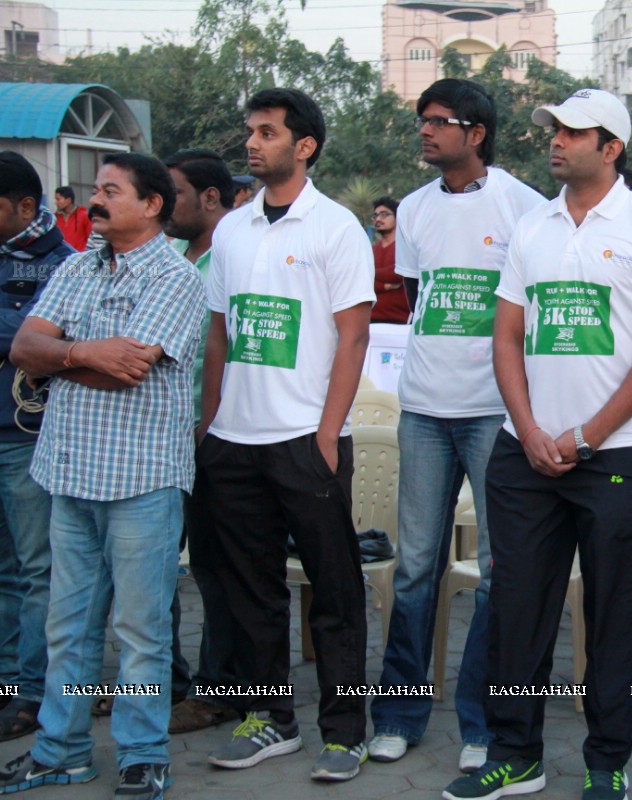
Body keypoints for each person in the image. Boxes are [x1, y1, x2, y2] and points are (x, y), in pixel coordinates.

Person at [444, 87, 632, 800]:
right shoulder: (534, 227)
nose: (555, 140)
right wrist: (526, 428)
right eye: (552, 129)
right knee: (516, 610)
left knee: (614, 614)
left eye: (573, 132)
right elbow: (507, 334)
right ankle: (515, 752)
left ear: (611, 148)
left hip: (615, 458)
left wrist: (588, 434)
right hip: (524, 454)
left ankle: (606, 762)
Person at [0, 152, 203, 800]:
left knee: (140, 632)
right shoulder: (76, 265)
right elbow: (23, 348)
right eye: (96, 188)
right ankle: (60, 750)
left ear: (150, 205)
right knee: (69, 626)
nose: (96, 198)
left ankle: (144, 755)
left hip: (141, 479)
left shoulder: (176, 278)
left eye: (110, 190)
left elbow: (131, 368)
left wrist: (56, 359)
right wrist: (81, 353)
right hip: (68, 470)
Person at [191, 87, 374, 782]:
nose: (252, 142)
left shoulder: (334, 227)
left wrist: (328, 434)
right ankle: (269, 719)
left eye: (267, 132)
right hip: (234, 441)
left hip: (306, 437)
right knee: (250, 589)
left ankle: (345, 729)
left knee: (334, 591)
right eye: (250, 131)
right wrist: (211, 424)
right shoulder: (234, 230)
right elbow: (219, 334)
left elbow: (353, 337)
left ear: (305, 147)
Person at [367, 78, 545, 774]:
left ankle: (481, 723)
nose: (425, 131)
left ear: (475, 133)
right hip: (422, 410)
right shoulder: (410, 210)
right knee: (415, 568)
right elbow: (417, 299)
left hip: (494, 414)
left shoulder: (524, 205)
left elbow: (523, 310)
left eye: (438, 121)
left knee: (498, 573)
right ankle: (399, 714)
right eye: (421, 121)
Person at [157, 148, 240, 736]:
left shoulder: (235, 257)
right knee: (154, 569)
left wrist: (210, 426)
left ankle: (220, 692)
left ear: (210, 198)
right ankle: (156, 681)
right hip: (159, 436)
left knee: (217, 569)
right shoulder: (168, 257)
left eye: (175, 194)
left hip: (213, 433)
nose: (164, 205)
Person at [0, 153, 70, 745]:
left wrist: (23, 336)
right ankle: (6, 685)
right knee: (5, 568)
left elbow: (39, 339)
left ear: (25, 207)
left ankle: (32, 692)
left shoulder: (62, 265)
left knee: (35, 570)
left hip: (26, 436)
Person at [368, 196, 410, 324]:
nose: (378, 219)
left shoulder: (406, 247)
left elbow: (397, 274)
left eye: (384, 214)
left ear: (397, 218)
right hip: (370, 321)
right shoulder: (370, 250)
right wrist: (384, 285)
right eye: (375, 216)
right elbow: (359, 280)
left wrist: (371, 272)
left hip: (400, 322)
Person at [51, 187, 90, 252]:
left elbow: (90, 238)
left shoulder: (84, 216)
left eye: (58, 199)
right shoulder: (54, 218)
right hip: (61, 258)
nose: (56, 202)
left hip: (80, 257)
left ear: (68, 200)